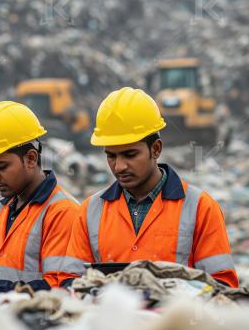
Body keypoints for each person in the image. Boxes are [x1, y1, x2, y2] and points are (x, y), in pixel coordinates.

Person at [64, 87, 239, 287]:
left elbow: (223, 287)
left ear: (155, 149)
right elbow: (71, 284)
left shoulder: (200, 207)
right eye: (111, 155)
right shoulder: (89, 212)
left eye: (130, 155)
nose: (119, 166)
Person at [0, 101, 81, 292]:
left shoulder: (63, 212)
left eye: (1, 167)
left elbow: (59, 287)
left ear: (31, 158)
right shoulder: (1, 210)